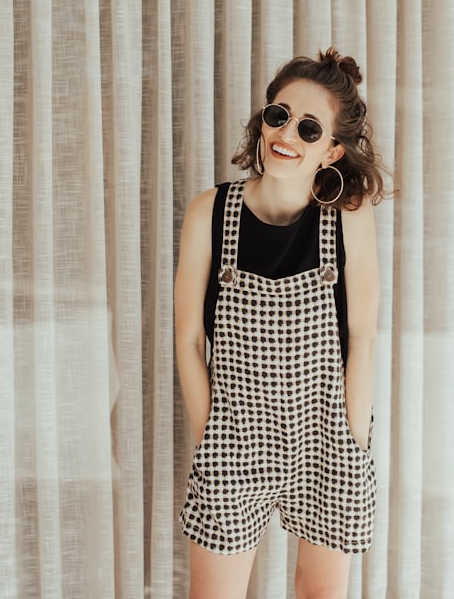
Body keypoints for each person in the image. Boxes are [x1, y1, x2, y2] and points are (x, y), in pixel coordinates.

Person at [174, 48, 391, 599]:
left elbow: (361, 339)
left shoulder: (348, 216)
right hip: (233, 439)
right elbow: (187, 339)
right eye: (279, 115)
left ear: (332, 150)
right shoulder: (210, 211)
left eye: (309, 128)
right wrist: (210, 440)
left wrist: (353, 443)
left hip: (325, 438)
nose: (286, 134)